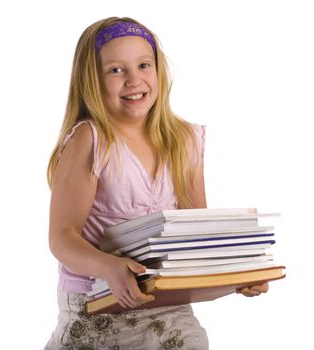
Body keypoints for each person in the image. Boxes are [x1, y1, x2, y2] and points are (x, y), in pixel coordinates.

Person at [44, 17, 268, 350]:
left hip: (166, 302)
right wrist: (110, 267)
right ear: (91, 80)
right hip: (96, 308)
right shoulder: (90, 140)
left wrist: (239, 272)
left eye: (144, 65)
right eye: (116, 70)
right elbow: (62, 239)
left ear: (159, 71)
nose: (134, 80)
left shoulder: (185, 140)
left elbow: (196, 234)